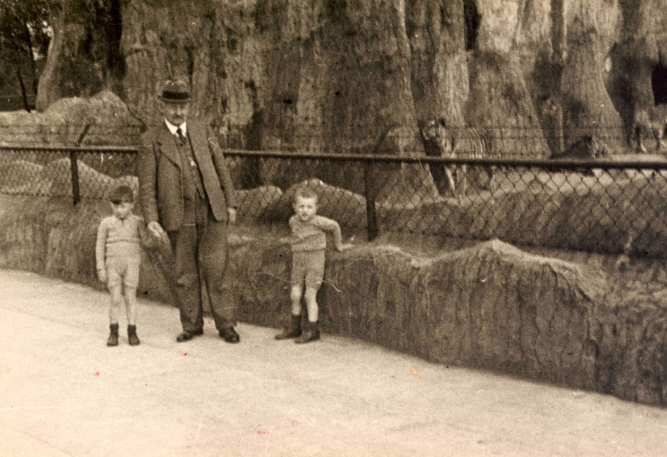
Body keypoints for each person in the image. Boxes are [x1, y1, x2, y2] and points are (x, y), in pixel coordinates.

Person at [138, 79, 240, 343]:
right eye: (172, 106)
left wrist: (230, 202)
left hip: (211, 209)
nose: (178, 112)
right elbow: (147, 185)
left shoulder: (202, 129)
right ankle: (192, 325)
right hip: (177, 214)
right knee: (185, 273)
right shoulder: (151, 140)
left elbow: (221, 167)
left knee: (218, 269)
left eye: (183, 106)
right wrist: (151, 218)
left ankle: (226, 325)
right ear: (161, 106)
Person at [275, 186, 351, 343]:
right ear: (294, 207)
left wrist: (338, 245)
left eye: (310, 207)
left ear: (316, 208)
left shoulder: (318, 221)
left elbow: (335, 226)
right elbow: (294, 229)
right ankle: (295, 328)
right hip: (298, 261)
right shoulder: (293, 221)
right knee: (295, 295)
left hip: (315, 260)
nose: (305, 210)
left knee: (310, 295)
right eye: (301, 206)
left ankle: (312, 330)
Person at [96, 184, 145, 347]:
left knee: (130, 297)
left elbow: (147, 241)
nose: (119, 210)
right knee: (115, 298)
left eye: (123, 206)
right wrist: (100, 267)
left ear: (132, 205)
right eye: (115, 206)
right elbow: (100, 245)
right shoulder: (106, 223)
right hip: (112, 265)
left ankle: (132, 331)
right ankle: (113, 332)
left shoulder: (138, 222)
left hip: (131, 264)